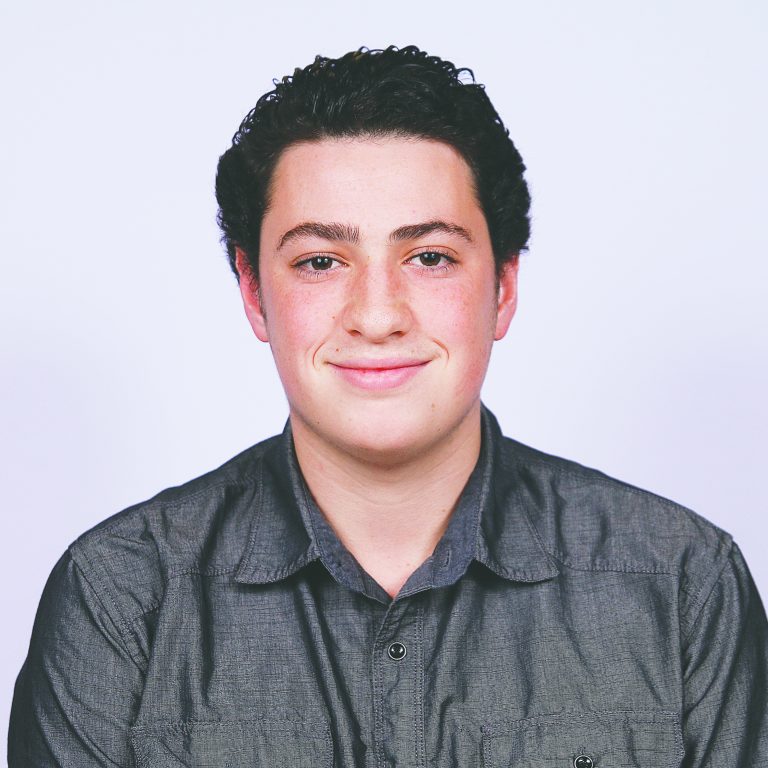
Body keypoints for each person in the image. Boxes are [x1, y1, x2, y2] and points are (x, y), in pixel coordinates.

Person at [9, 45, 767, 767]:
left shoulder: (681, 584)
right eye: (320, 261)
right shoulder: (122, 595)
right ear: (254, 293)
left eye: (430, 257)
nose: (376, 316)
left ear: (503, 288)